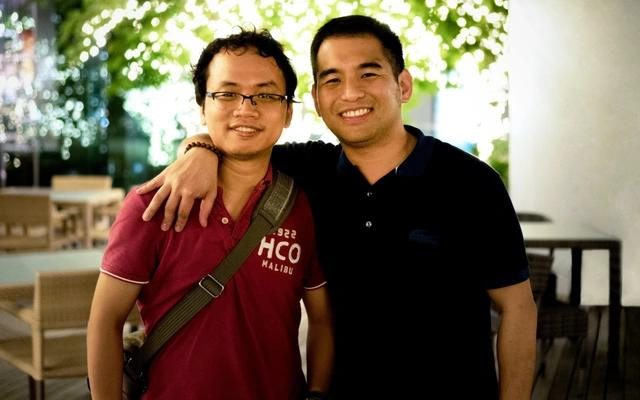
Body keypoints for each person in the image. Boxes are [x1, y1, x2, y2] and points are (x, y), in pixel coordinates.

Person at [137, 15, 537, 399]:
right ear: (316, 98)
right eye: (332, 79)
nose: (350, 93)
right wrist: (199, 149)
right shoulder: (305, 172)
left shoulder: (471, 182)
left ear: (403, 85)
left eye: (368, 74)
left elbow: (517, 308)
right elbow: (237, 141)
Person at [87, 29, 334, 400]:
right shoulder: (153, 204)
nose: (246, 108)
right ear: (202, 106)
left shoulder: (298, 206)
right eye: (227, 93)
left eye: (266, 95)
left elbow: (322, 319)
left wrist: (316, 392)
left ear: (287, 112)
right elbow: (105, 322)